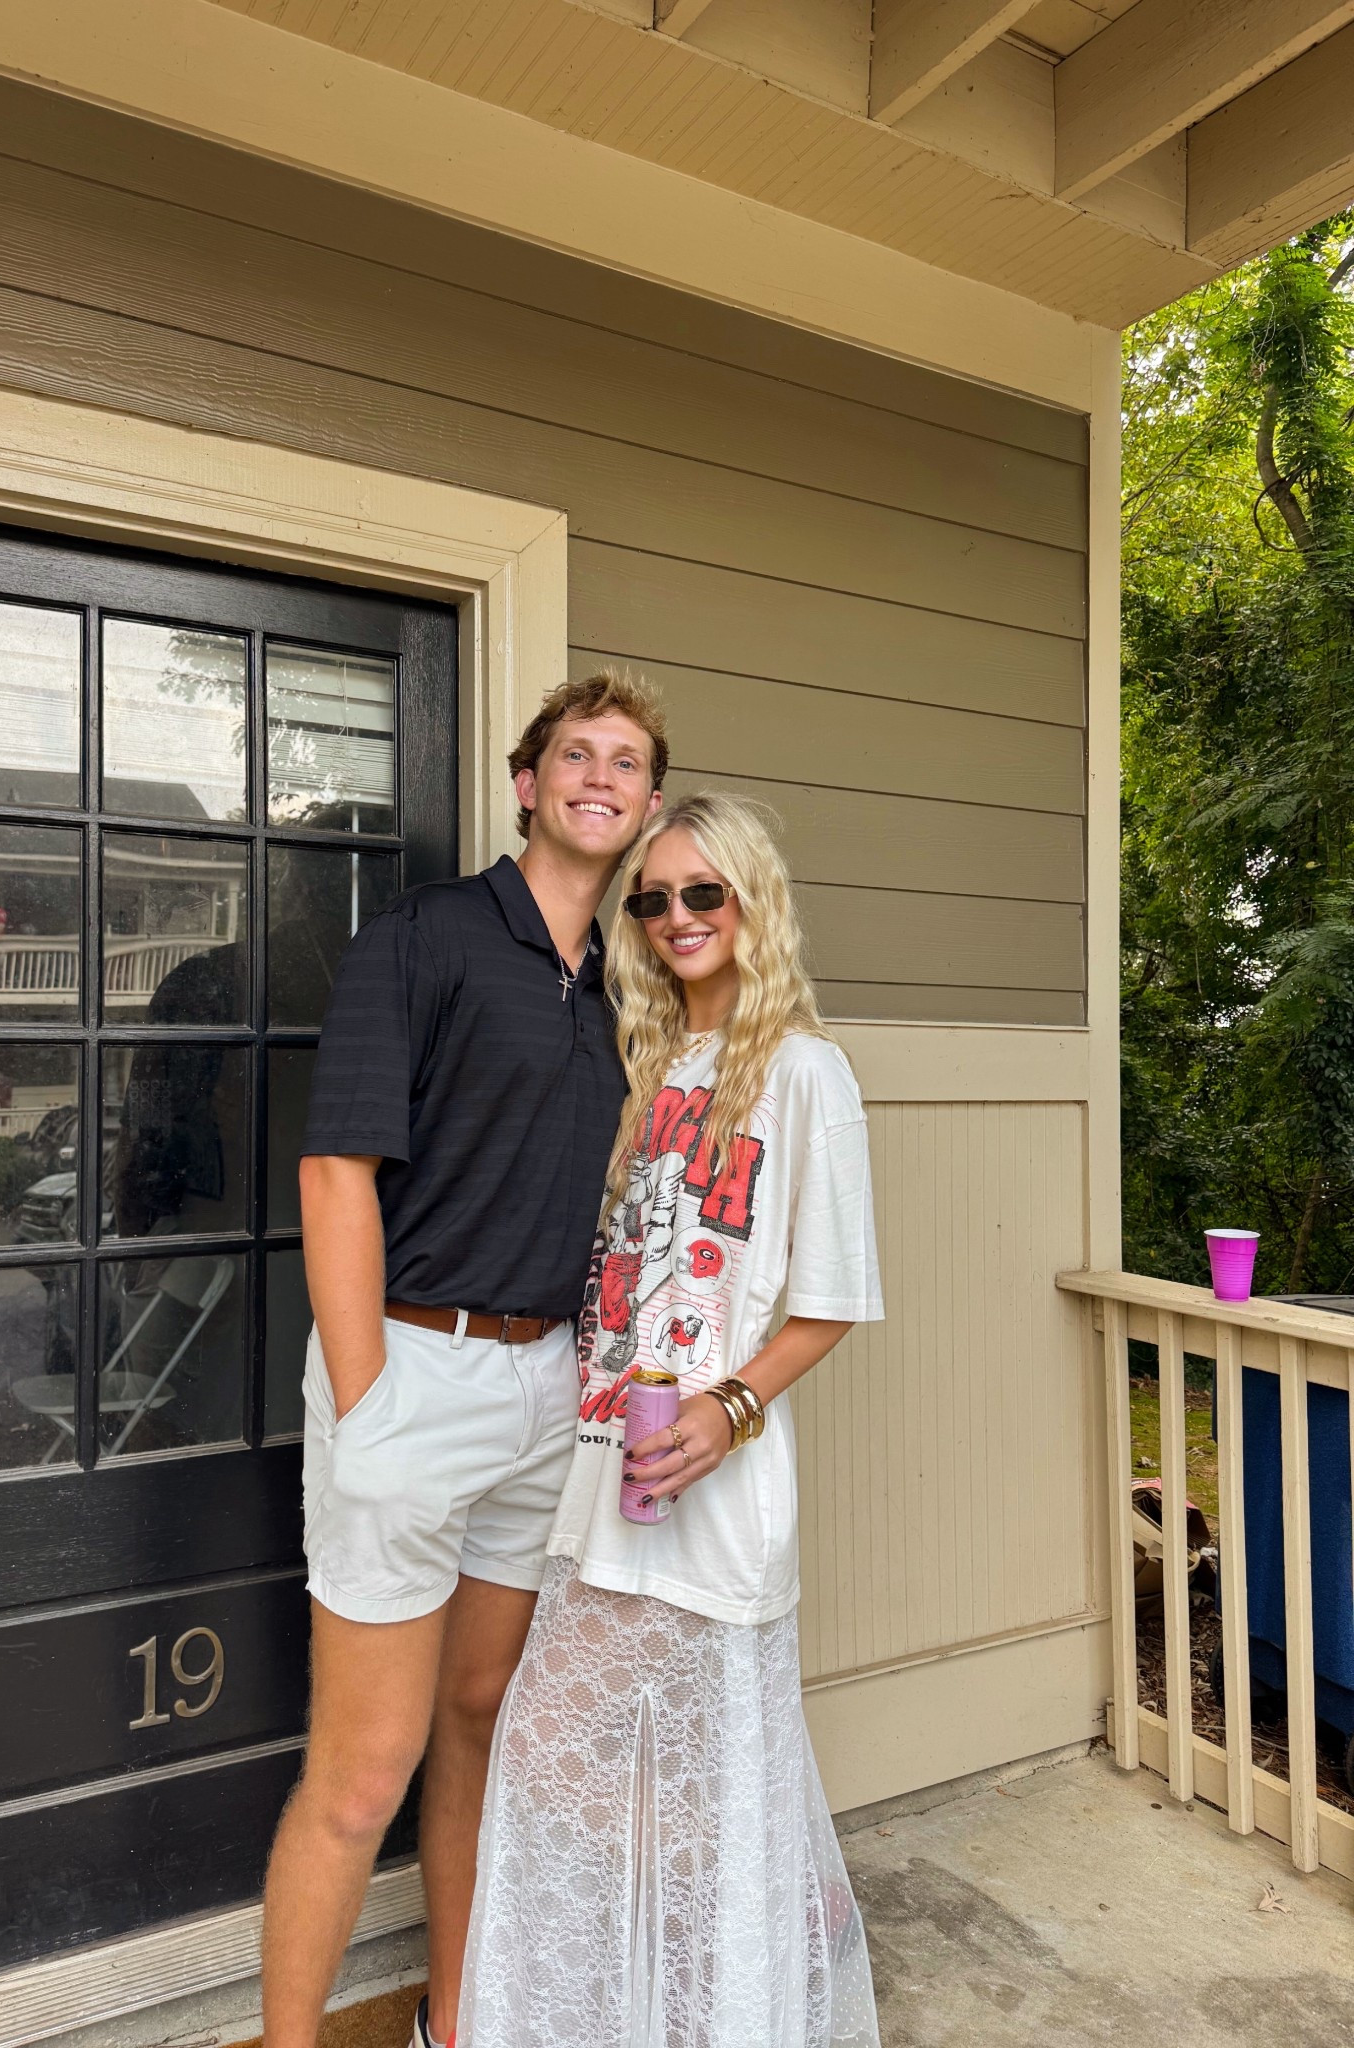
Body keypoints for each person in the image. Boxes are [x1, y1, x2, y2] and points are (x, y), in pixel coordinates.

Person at [259, 672, 668, 2048]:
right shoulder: (426, 937)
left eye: (625, 762)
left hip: (546, 1389)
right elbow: (335, 1174)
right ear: (526, 782)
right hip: (414, 1377)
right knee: (360, 1771)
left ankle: (459, 2020)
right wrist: (368, 1400)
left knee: (477, 1724)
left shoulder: (622, 983)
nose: (598, 775)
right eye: (574, 754)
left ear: (648, 804)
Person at [458, 792, 884, 2048]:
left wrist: (732, 1406)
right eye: (653, 897)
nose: (678, 916)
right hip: (604, 1467)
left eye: (705, 892)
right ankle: (714, 1970)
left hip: (711, 1484)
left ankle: (749, 1978)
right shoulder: (643, 1069)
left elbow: (832, 1298)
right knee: (618, 1766)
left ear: (753, 899)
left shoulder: (804, 1070)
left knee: (626, 1759)